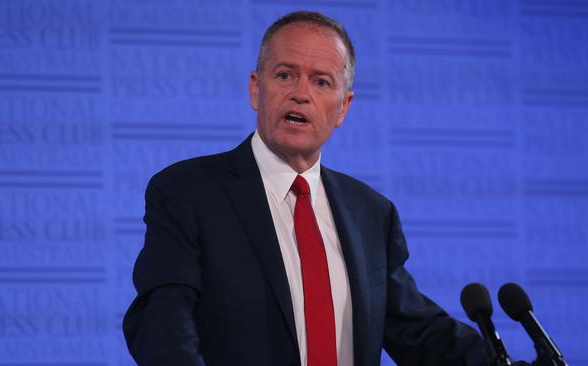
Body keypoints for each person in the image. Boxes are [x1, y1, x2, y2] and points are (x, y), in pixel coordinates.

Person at [123, 10, 489, 366]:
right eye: (285, 75)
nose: (301, 93)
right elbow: (161, 319)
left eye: (321, 81)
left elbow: (418, 332)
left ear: (343, 107)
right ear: (255, 89)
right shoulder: (189, 192)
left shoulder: (372, 214)